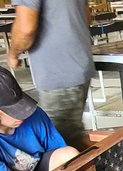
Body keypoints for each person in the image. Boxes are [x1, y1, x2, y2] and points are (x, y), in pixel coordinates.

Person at [7, 0, 95, 151]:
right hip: (80, 64)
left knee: (59, 143)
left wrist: (13, 53)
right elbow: (87, 17)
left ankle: (107, 168)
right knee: (72, 134)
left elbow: (26, 29)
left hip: (57, 70)